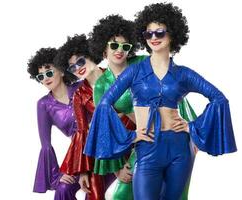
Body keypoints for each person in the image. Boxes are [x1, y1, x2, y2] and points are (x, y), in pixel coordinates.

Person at [84, 3, 237, 200]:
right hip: (147, 146)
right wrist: (130, 137)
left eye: (160, 32)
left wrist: (192, 127)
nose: (154, 38)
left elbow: (219, 98)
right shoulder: (135, 70)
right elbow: (104, 104)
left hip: (179, 148)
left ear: (172, 34)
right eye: (148, 34)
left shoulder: (183, 74)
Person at [89, 14, 197, 200]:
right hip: (144, 141)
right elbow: (105, 127)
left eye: (125, 46)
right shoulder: (102, 86)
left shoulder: (142, 64)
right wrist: (117, 169)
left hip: (174, 137)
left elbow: (177, 93)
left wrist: (192, 128)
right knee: (121, 196)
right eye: (114, 45)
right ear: (104, 49)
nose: (119, 50)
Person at [55, 34, 118, 200]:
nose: (77, 68)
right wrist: (83, 171)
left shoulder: (116, 77)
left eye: (80, 61)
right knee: (91, 189)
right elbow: (82, 133)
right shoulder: (79, 95)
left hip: (131, 142)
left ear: (91, 55)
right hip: (103, 150)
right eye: (72, 67)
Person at [27, 47, 80, 199]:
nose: (45, 78)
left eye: (49, 72)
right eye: (40, 76)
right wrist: (56, 175)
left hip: (105, 147)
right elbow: (46, 145)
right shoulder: (44, 105)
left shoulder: (82, 88)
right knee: (63, 189)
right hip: (79, 155)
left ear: (62, 71)